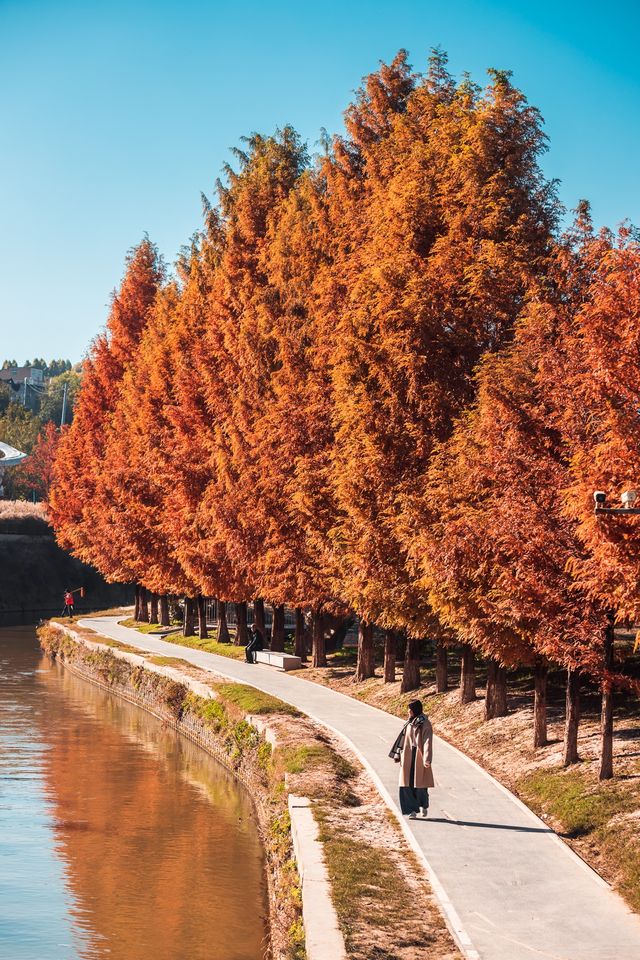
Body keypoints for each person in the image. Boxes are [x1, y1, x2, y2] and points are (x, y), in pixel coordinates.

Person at [395, 699, 434, 819]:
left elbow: (427, 742)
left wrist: (427, 758)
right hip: (407, 756)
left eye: (409, 709)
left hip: (419, 756)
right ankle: (412, 810)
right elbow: (402, 740)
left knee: (420, 784)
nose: (408, 711)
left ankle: (423, 805)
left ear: (414, 710)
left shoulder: (425, 723)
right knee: (406, 784)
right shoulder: (408, 723)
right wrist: (397, 753)